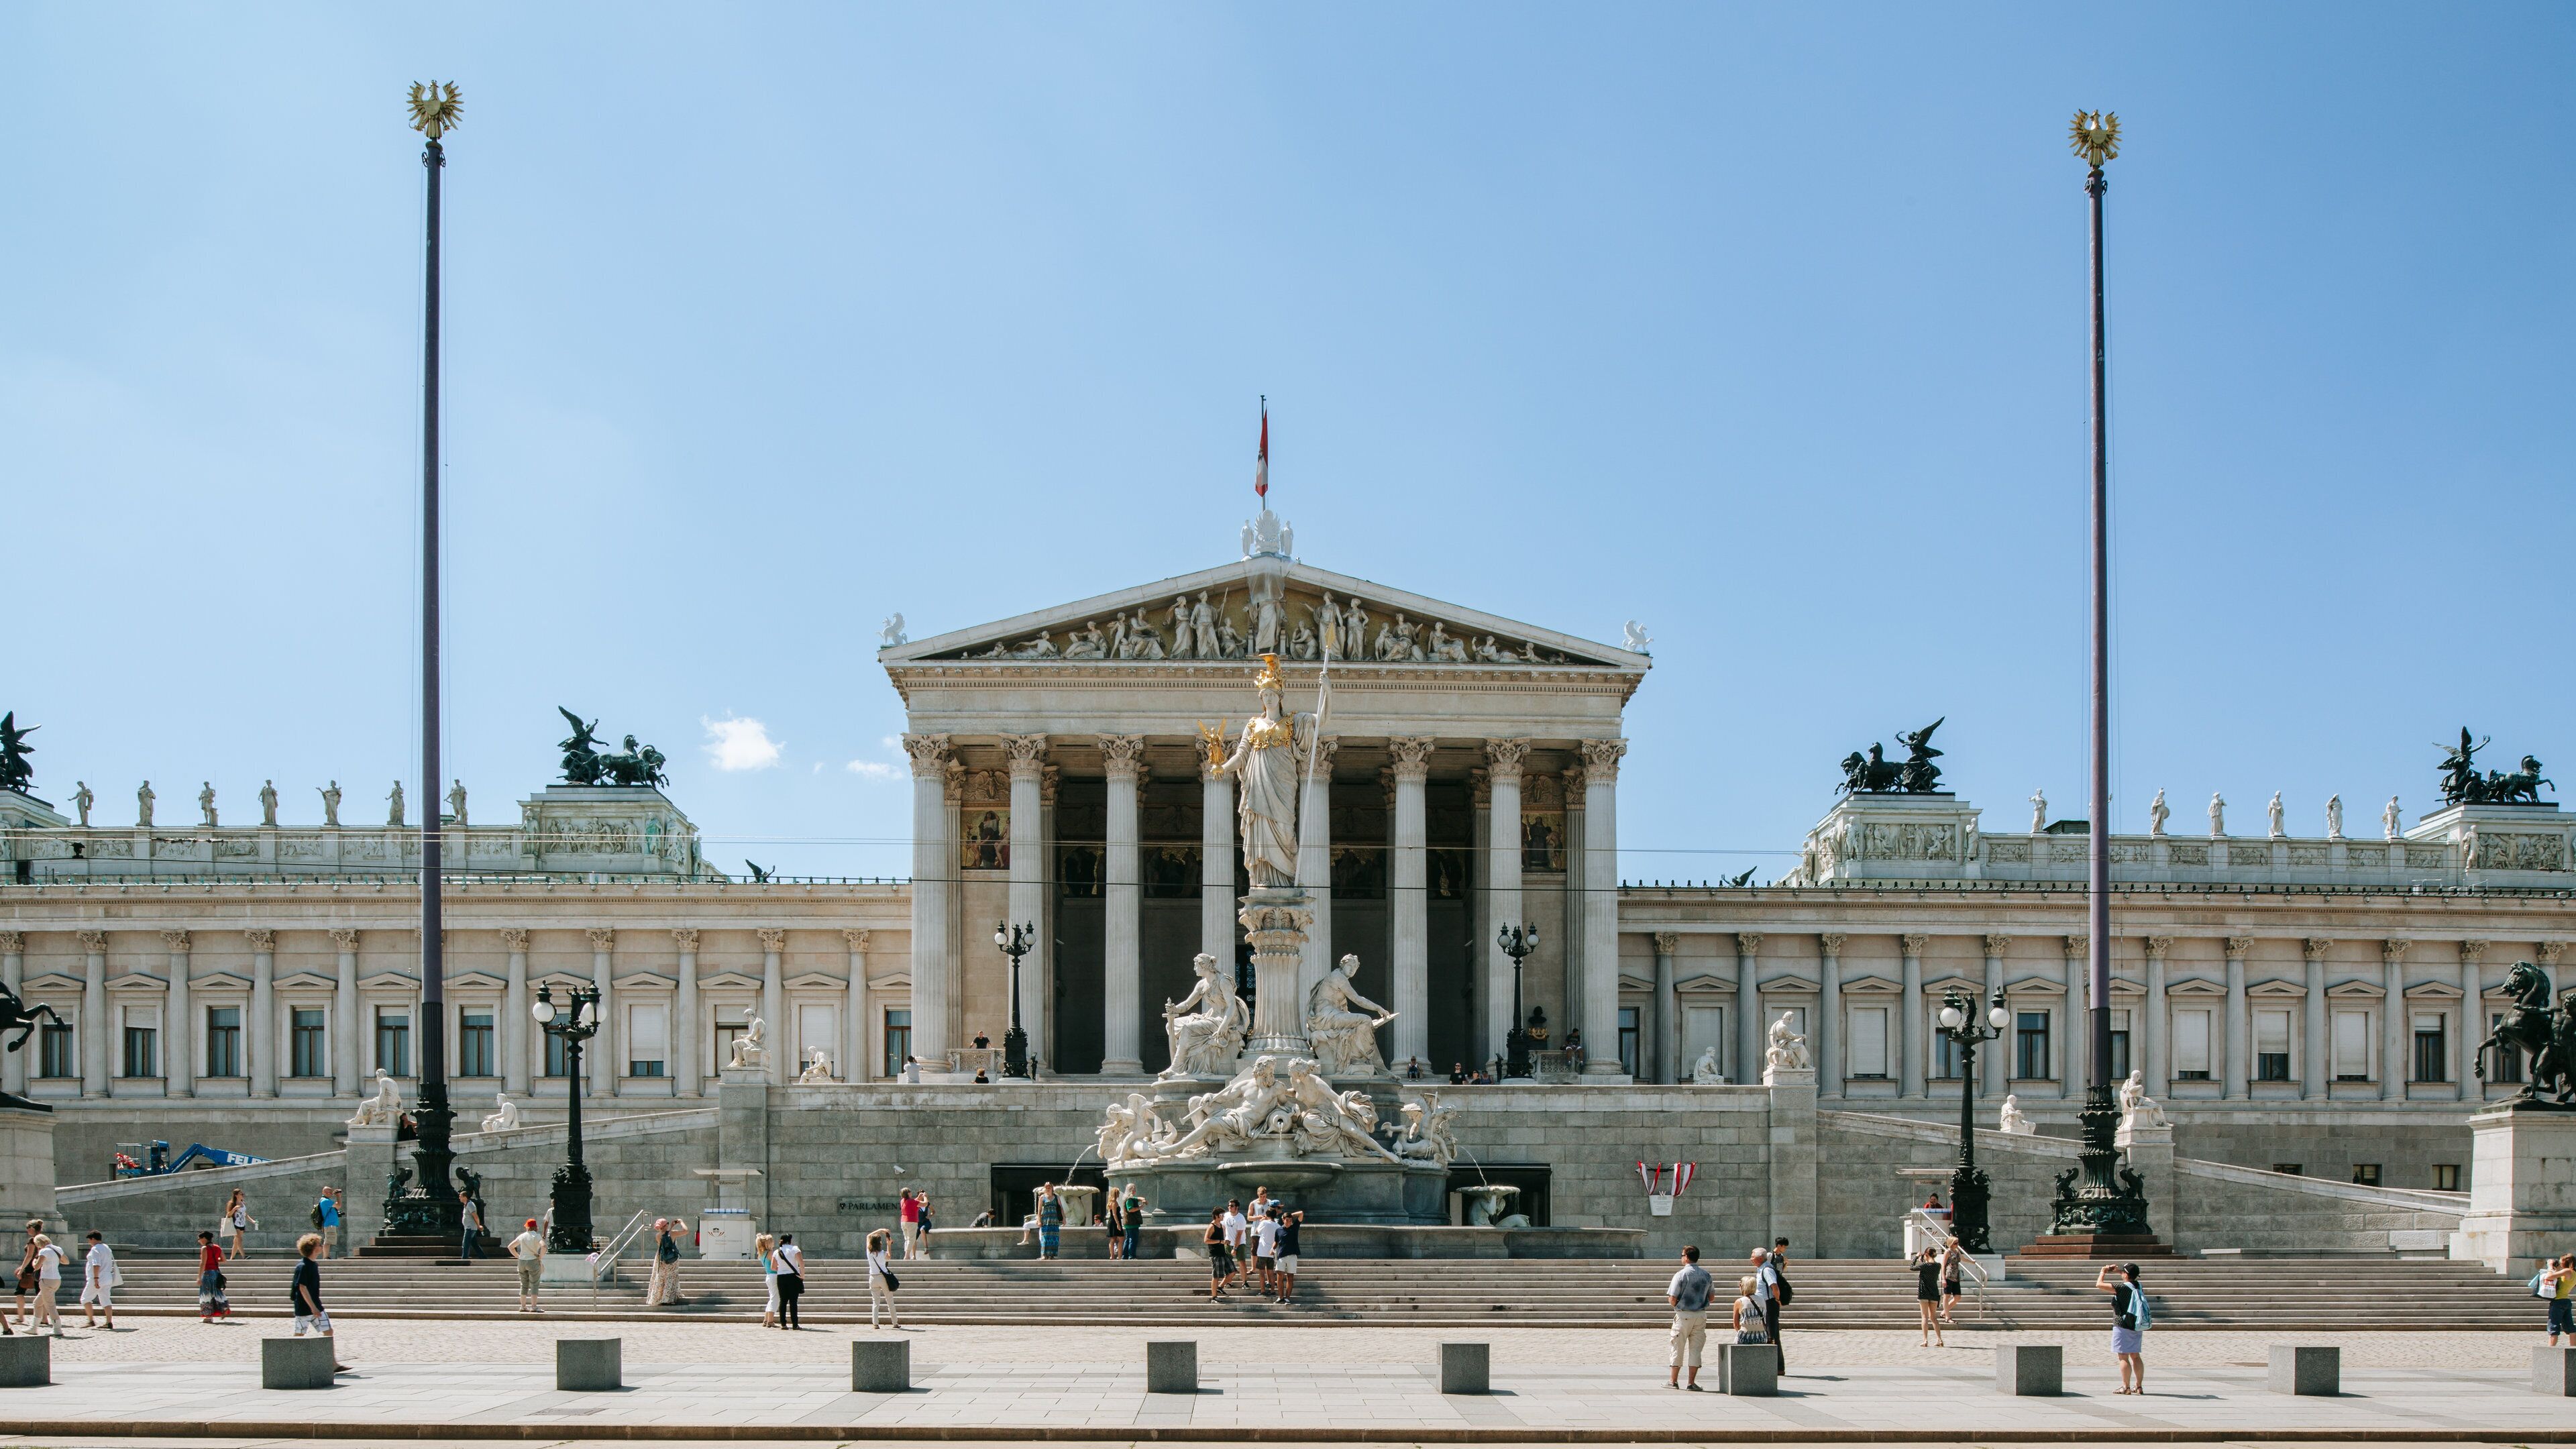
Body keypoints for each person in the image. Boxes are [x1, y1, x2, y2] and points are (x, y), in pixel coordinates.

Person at [290, 1232, 345, 1372]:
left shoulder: (313, 1265)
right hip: (305, 1308)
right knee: (299, 1335)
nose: (321, 1247)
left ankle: (332, 1364)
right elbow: (302, 1288)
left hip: (316, 1306)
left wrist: (316, 1307)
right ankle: (292, 1362)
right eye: (319, 1245)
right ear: (313, 1248)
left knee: (328, 1331)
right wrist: (313, 1308)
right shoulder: (303, 1266)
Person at [1666, 1244, 1713, 1391]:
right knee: (1696, 1350)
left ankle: (1673, 1381)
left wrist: (1678, 1305)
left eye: (1682, 1255)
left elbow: (1672, 1297)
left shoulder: (1680, 1275)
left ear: (1686, 1257)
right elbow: (1711, 1297)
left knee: (1677, 1347)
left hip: (1683, 1314)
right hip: (1700, 1315)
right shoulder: (1706, 1275)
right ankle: (1691, 1383)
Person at [2098, 1261, 2148, 1393]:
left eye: (2123, 1272)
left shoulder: (2121, 1287)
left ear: (2126, 1275)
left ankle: (2125, 1387)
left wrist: (2103, 1272)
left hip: (2122, 1325)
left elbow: (2099, 1285)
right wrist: (2119, 1272)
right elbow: (2129, 1278)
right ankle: (2138, 1386)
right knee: (2135, 1356)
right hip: (2136, 1324)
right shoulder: (2138, 1285)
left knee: (2123, 1356)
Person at [1764, 1236, 1793, 1368]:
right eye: (1784, 1246)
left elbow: (1781, 1271)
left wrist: (1786, 1264)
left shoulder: (1782, 1257)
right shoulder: (1771, 1255)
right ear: (1779, 1245)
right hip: (1772, 1282)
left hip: (1778, 1281)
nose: (1785, 1249)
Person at [79, 1230, 116, 1330]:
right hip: (107, 1277)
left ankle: (91, 1320)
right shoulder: (106, 1248)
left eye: (89, 1240)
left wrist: (96, 1279)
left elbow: (96, 1265)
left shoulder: (95, 1249)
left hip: (98, 1277)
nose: (89, 1242)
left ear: (93, 1239)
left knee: (85, 1299)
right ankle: (109, 1322)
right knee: (106, 1299)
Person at [508, 1218, 545, 1313]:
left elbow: (510, 1247)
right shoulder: (536, 1236)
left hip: (522, 1262)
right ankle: (534, 1307)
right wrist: (540, 1257)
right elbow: (544, 1246)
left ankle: (523, 1306)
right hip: (533, 1261)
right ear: (536, 1228)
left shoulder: (522, 1236)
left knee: (524, 1284)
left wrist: (518, 1256)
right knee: (534, 1284)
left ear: (528, 1227)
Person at [866, 1228, 901, 1330]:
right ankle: (895, 1323)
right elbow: (889, 1257)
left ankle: (875, 1324)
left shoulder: (869, 1252)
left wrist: (880, 1230)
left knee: (875, 1302)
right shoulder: (882, 1254)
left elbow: (868, 1236)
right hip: (883, 1278)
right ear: (879, 1243)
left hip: (873, 1278)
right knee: (890, 1301)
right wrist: (889, 1245)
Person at [647, 1218, 686, 1307]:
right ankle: (668, 1298)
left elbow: (665, 1236)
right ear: (665, 1225)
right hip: (672, 1258)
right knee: (671, 1276)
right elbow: (686, 1231)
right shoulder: (673, 1233)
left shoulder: (658, 1235)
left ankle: (658, 1297)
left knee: (661, 1277)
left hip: (661, 1258)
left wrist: (671, 1227)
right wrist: (681, 1222)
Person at [771, 1232, 805, 1330]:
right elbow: (801, 1263)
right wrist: (802, 1275)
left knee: (783, 1301)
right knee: (793, 1302)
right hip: (793, 1277)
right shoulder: (795, 1249)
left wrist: (782, 1269)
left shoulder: (777, 1252)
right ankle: (795, 1324)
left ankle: (783, 1324)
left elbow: (773, 1267)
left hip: (781, 1277)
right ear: (790, 1240)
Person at [1912, 1248, 1944, 1347]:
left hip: (1923, 1292)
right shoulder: (1938, 1266)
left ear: (1926, 1255)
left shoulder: (1924, 1265)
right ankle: (1940, 1339)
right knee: (1933, 1317)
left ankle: (1925, 1340)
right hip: (1934, 1292)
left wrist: (1916, 1257)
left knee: (1925, 1317)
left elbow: (1912, 1267)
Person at [12, 1220, 42, 1328]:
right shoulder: (43, 1239)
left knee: (19, 1292)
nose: (27, 1230)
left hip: (30, 1269)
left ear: (32, 1229)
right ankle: (44, 1318)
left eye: (28, 1228)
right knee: (40, 1293)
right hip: (40, 1268)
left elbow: (29, 1256)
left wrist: (21, 1269)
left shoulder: (32, 1240)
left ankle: (20, 1317)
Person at [195, 1232, 229, 1321]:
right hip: (216, 1273)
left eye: (199, 1239)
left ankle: (208, 1316)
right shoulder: (217, 1247)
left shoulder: (205, 1248)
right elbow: (224, 1260)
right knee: (217, 1291)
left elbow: (203, 1263)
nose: (199, 1241)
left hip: (207, 1273)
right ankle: (224, 1307)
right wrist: (214, 1261)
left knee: (206, 1294)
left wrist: (199, 1276)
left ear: (204, 1239)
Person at [1273, 1208, 1303, 1304]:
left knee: (1290, 1277)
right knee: (1280, 1276)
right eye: (1287, 1220)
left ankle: (1287, 1298)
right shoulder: (1278, 1230)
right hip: (1281, 1255)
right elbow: (1276, 1242)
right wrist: (1272, 1248)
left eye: (1290, 1220)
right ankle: (1281, 1297)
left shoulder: (1294, 1227)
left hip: (1292, 1255)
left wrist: (1291, 1215)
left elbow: (1301, 1213)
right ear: (1283, 1220)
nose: (1289, 1222)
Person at [1202, 1207, 1232, 1303]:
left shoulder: (1221, 1225)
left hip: (1223, 1253)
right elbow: (1206, 1240)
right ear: (1217, 1216)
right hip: (1215, 1255)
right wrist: (1220, 1241)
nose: (1223, 1216)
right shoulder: (1212, 1226)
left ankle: (1220, 1287)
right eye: (1222, 1215)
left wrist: (1225, 1242)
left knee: (1232, 1272)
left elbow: (1221, 1240)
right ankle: (1214, 1297)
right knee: (1216, 1276)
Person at [1252, 1203, 1281, 1296]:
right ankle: (1272, 1290)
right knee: (1271, 1272)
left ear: (1267, 1215)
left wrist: (1262, 1221)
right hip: (1271, 1252)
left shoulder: (1264, 1223)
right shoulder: (1278, 1226)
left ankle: (1263, 1291)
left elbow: (1256, 1232)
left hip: (1262, 1251)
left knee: (1261, 1272)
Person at [2546, 1254, 2576, 1344]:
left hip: (2558, 1302)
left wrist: (2550, 1267)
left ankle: (2550, 1351)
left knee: (2553, 1328)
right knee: (2571, 1328)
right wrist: (2557, 1270)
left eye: (2560, 1261)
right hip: (2566, 1301)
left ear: (2564, 1262)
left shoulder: (2567, 1271)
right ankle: (2573, 1351)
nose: (2559, 1263)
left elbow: (2549, 1277)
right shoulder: (2574, 1273)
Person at [1731, 1273, 1767, 1346]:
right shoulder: (1762, 1300)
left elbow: (1736, 1325)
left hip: (1745, 1336)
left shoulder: (1740, 1302)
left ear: (1742, 1286)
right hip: (1762, 1336)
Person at [1221, 1199, 1249, 1288]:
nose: (1230, 1207)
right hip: (1228, 1243)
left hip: (1239, 1243)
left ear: (1237, 1207)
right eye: (1229, 1206)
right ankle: (1229, 1282)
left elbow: (1239, 1235)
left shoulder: (1241, 1218)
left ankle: (1245, 1282)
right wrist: (1224, 1240)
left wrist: (1235, 1248)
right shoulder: (1226, 1216)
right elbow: (1224, 1228)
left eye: (1232, 1206)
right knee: (1228, 1263)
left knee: (1242, 1262)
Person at [1938, 1236, 1965, 1326]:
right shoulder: (1947, 1252)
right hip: (1948, 1276)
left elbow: (1963, 1259)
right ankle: (1947, 1317)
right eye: (1955, 1243)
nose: (1957, 1245)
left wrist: (1973, 1262)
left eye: (1958, 1243)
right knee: (1947, 1296)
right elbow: (1943, 1265)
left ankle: (1944, 1312)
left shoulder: (1957, 1251)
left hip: (1956, 1277)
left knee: (1958, 1297)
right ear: (1951, 1243)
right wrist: (1943, 1279)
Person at [755, 1232, 779, 1327]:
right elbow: (776, 1266)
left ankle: (766, 1319)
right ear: (768, 1243)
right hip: (774, 1276)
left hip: (769, 1276)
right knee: (775, 1298)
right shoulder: (771, 1253)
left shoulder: (762, 1254)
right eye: (772, 1241)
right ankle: (771, 1321)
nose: (773, 1243)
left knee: (772, 1297)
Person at [221, 1189, 252, 1260]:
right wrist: (234, 1209)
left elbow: (245, 1214)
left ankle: (232, 1257)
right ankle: (244, 1256)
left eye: (243, 1194)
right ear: (236, 1195)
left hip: (242, 1224)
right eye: (241, 1194)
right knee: (239, 1239)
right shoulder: (232, 1204)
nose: (243, 1195)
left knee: (236, 1241)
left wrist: (252, 1221)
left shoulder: (243, 1204)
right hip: (235, 1224)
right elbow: (228, 1214)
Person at [1036, 1183, 1063, 1260]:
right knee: (1045, 1237)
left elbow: (1061, 1208)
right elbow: (1039, 1210)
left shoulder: (1056, 1197)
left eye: (1049, 1187)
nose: (1048, 1188)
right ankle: (1044, 1255)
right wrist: (1039, 1220)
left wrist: (1064, 1218)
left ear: (1052, 1188)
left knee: (1054, 1237)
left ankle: (1052, 1255)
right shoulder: (1042, 1197)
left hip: (1054, 1220)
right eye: (1046, 1187)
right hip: (1046, 1220)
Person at [458, 1188, 484, 1264]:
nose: (459, 1198)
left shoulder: (470, 1205)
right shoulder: (466, 1205)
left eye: (460, 1196)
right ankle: (483, 1258)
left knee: (465, 1244)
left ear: (465, 1197)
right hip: (469, 1227)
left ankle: (464, 1259)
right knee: (475, 1245)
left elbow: (475, 1216)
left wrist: (479, 1226)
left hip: (470, 1228)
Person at [315, 1188, 342, 1259]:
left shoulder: (325, 1201)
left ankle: (326, 1257)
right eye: (331, 1192)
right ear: (326, 1193)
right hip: (330, 1224)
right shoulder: (326, 1201)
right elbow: (339, 1206)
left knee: (328, 1241)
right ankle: (326, 1257)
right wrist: (338, 1196)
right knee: (328, 1241)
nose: (332, 1194)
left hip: (330, 1224)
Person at [1120, 1188, 1144, 1261]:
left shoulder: (1129, 1198)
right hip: (1132, 1223)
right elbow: (1130, 1209)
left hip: (1129, 1223)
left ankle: (1125, 1256)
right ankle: (1131, 1256)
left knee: (1128, 1239)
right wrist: (1139, 1208)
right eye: (1134, 1189)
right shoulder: (1129, 1200)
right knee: (1133, 1240)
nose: (1135, 1191)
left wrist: (1143, 1200)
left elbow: (1138, 1198)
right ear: (1131, 1191)